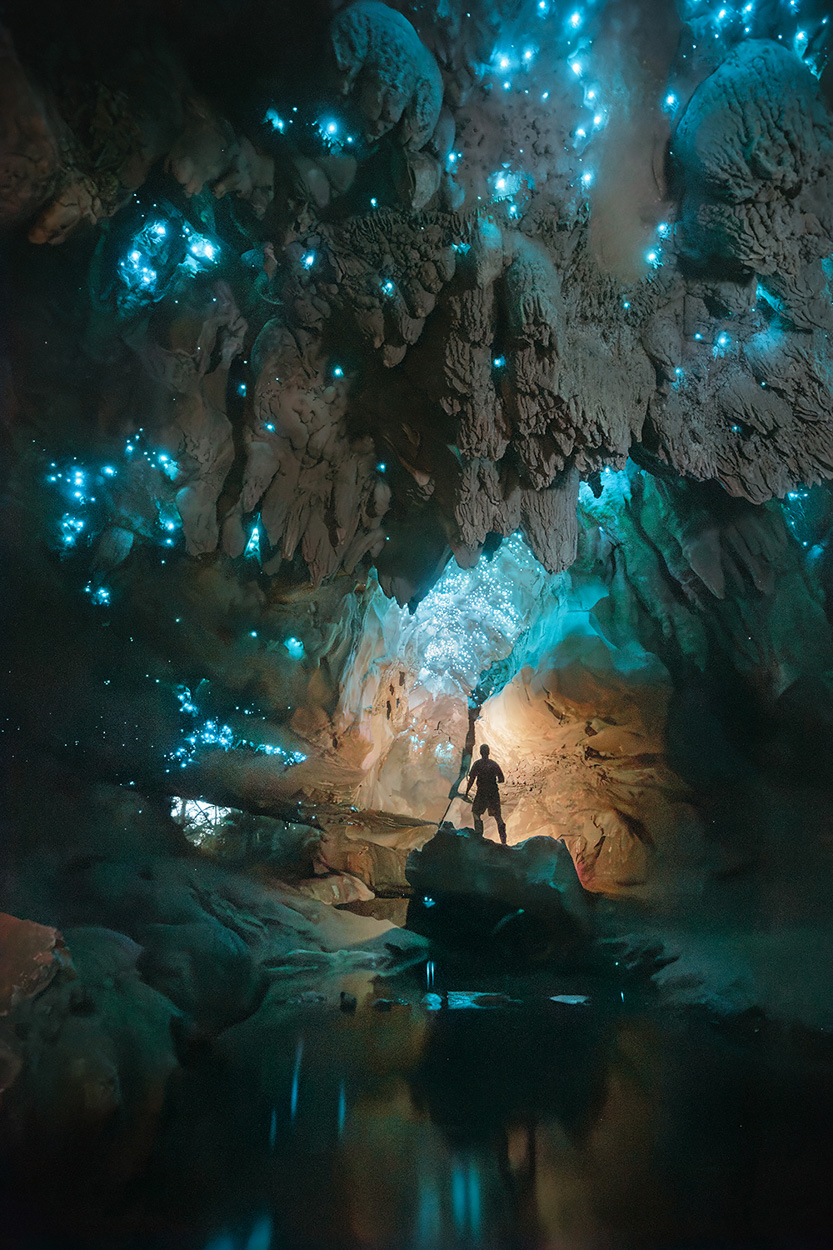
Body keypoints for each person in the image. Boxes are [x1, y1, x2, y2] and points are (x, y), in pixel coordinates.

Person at [465, 744, 507, 845]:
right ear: (488, 752)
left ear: (480, 752)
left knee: (476, 813)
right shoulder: (493, 764)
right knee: (498, 817)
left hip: (482, 792)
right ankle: (504, 841)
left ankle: (479, 837)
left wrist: (466, 792)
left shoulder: (477, 764)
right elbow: (502, 779)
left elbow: (471, 779)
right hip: (493, 792)